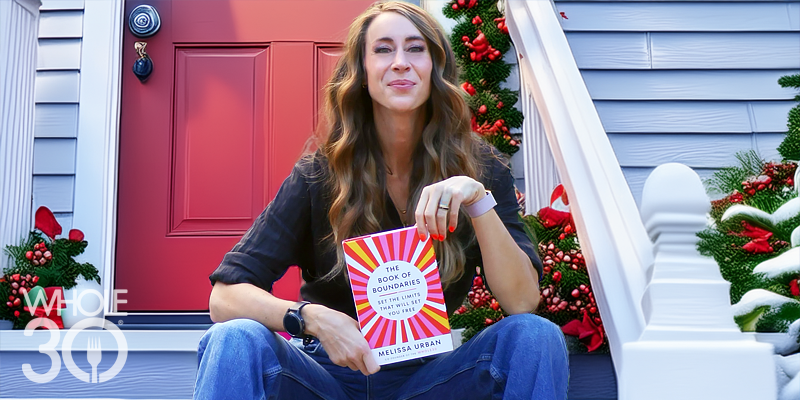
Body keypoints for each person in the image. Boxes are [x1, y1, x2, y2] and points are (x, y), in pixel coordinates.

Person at [193, 2, 569, 399]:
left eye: (416, 48)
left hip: (426, 380)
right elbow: (224, 298)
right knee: (235, 337)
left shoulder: (481, 170)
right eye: (384, 49)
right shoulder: (320, 174)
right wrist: (310, 318)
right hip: (324, 378)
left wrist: (476, 200)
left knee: (534, 334)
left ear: (436, 68)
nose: (401, 62)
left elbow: (523, 300)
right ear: (361, 72)